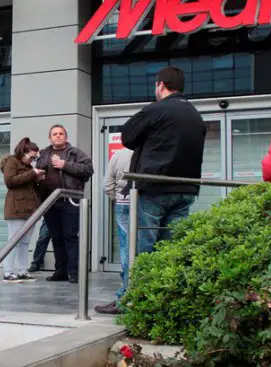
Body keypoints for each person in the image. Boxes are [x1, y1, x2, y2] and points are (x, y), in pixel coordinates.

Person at [118, 67, 205, 258]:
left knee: (143, 248)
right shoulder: (195, 115)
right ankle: (163, 288)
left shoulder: (155, 110)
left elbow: (127, 136)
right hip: (186, 188)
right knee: (171, 250)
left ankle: (139, 287)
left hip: (154, 186)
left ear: (161, 85)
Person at [35, 124, 94, 283]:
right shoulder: (44, 153)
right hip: (50, 202)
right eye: (54, 134)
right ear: (50, 138)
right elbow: (38, 172)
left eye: (61, 133)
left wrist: (64, 164)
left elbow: (88, 169)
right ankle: (60, 271)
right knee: (56, 238)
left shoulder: (75, 153)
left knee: (70, 237)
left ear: (66, 137)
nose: (58, 136)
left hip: (70, 201)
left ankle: (74, 272)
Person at [0, 137, 44, 283]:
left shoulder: (29, 167)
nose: (32, 160)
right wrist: (33, 174)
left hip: (30, 209)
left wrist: (38, 179)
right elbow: (10, 181)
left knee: (25, 242)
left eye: (35, 158)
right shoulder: (12, 161)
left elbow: (29, 185)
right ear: (23, 152)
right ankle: (8, 272)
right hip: (16, 208)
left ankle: (22, 270)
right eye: (31, 157)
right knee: (14, 240)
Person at [95, 146, 133, 315]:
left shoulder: (119, 155)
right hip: (145, 203)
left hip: (123, 203)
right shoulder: (150, 151)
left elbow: (107, 184)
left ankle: (124, 296)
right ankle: (128, 295)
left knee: (126, 247)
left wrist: (116, 198)